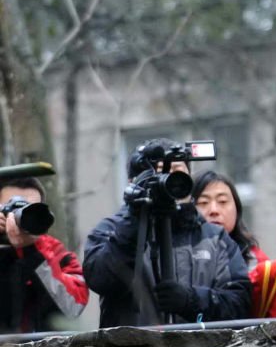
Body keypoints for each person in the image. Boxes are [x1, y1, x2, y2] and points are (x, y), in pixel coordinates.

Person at [83, 139, 251, 327]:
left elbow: (240, 305)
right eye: (157, 172)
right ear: (133, 182)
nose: (166, 180)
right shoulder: (111, 229)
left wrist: (192, 300)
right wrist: (134, 221)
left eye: (176, 172)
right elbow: (101, 280)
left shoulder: (215, 237)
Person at [0, 177, 88, 333]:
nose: (21, 215)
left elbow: (72, 309)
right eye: (11, 207)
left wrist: (31, 252)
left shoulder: (60, 256)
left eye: (30, 209)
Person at [192, 171, 268, 270]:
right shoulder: (174, 256)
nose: (214, 210)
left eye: (222, 201)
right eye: (203, 202)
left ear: (237, 209)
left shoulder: (257, 263)